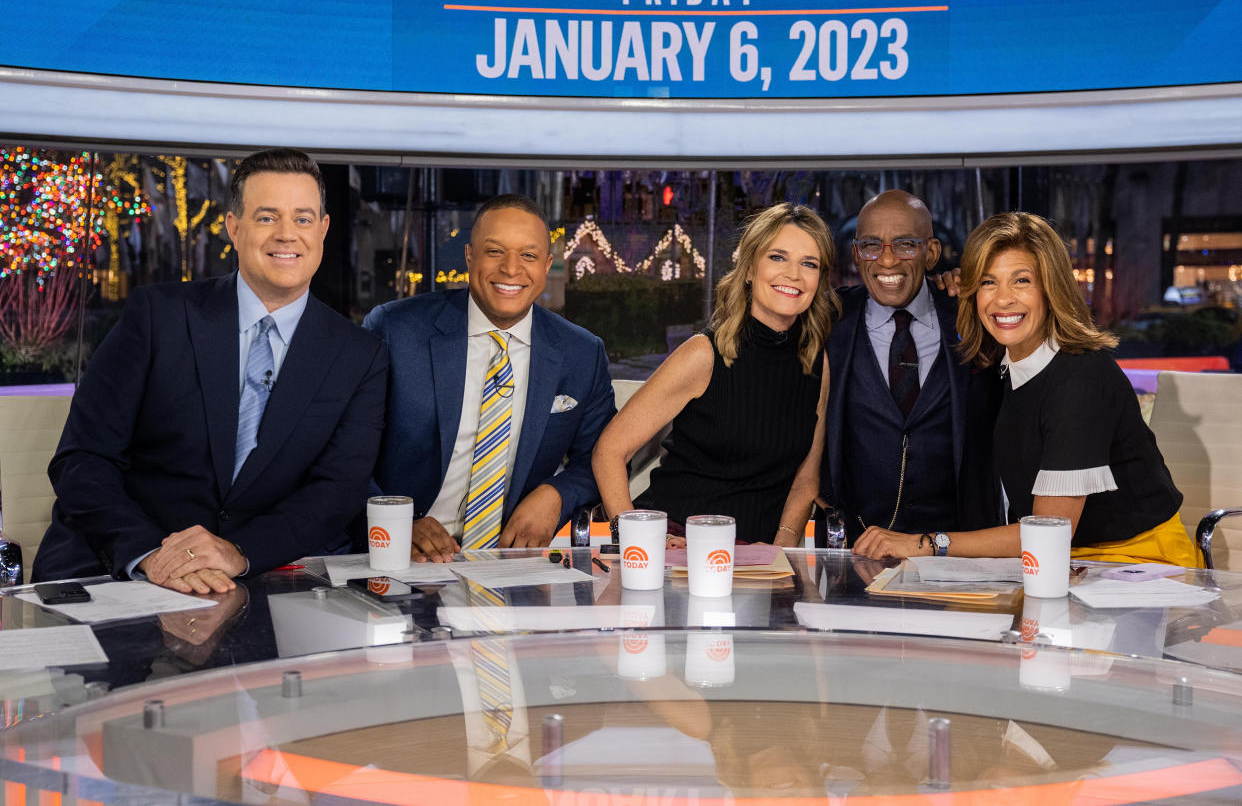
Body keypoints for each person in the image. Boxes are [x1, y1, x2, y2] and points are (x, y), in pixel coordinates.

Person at [33, 148, 389, 592]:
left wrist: (238, 554)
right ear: (234, 228)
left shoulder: (359, 353)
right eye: (266, 217)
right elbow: (83, 459)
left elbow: (337, 491)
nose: (286, 235)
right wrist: (152, 556)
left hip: (252, 579)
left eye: (302, 219)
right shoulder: (157, 316)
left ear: (323, 229)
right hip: (118, 568)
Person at [854, 211, 1200, 566]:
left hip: (1139, 565)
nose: (1002, 299)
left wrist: (924, 543)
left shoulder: (1077, 378)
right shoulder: (1010, 365)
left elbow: (1049, 532)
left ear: (1051, 288)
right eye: (988, 283)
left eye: (1021, 281)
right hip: (1063, 562)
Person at [365, 194, 614, 561]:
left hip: (512, 566)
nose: (511, 269)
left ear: (547, 265)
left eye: (528, 255)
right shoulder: (395, 330)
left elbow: (603, 457)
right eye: (495, 251)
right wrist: (394, 522)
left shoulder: (582, 353)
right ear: (469, 257)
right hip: (400, 558)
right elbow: (339, 451)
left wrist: (556, 495)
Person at [592, 203, 836, 546]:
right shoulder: (704, 353)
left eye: (808, 263)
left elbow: (805, 481)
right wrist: (638, 541)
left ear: (819, 279)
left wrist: (777, 555)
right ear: (750, 268)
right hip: (677, 546)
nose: (793, 274)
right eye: (777, 257)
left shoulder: (815, 362)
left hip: (757, 562)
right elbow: (609, 451)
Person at [820, 190, 999, 548]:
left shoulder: (973, 313)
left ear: (931, 253)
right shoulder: (828, 321)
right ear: (856, 254)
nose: (886, 260)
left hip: (960, 556)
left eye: (905, 245)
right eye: (871, 245)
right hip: (855, 558)